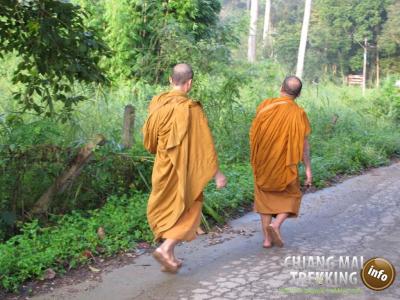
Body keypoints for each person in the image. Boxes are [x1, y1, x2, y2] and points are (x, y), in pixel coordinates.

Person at [142, 63, 227, 273]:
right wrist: (217, 173)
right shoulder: (191, 109)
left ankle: (169, 256)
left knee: (170, 209)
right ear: (189, 84)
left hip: (162, 168)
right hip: (184, 171)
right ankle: (166, 247)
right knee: (191, 209)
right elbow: (205, 144)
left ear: (171, 80)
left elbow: (150, 142)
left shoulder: (158, 103)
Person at [249, 76, 312, 248]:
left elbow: (256, 133)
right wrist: (308, 169)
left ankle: (267, 240)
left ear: (281, 87)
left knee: (264, 200)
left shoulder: (265, 105)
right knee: (293, 195)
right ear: (298, 94)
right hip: (285, 165)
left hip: (263, 163)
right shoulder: (299, 114)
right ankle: (276, 225)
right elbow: (304, 144)